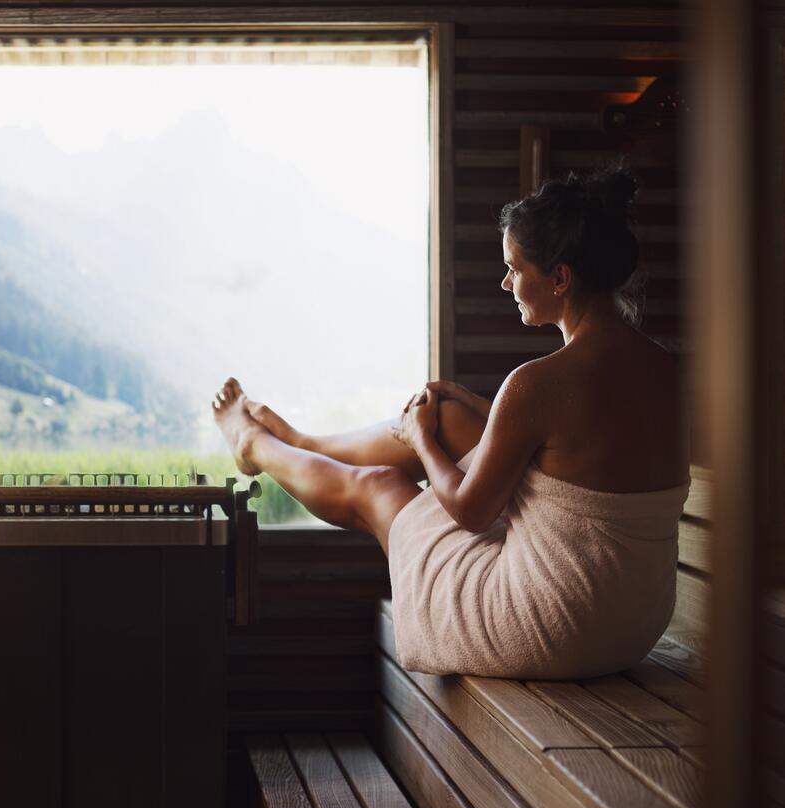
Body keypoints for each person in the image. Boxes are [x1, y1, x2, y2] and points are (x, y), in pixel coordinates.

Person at [212, 168, 691, 679]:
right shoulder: (662, 368)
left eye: (514, 268)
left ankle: (255, 444)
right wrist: (485, 409)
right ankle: (300, 441)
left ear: (560, 279)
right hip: (633, 621)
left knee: (377, 487)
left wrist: (420, 441)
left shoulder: (537, 384)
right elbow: (584, 449)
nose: (506, 282)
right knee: (447, 414)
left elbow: (471, 511)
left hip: (558, 624)